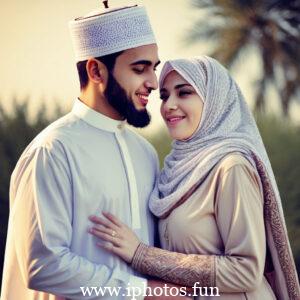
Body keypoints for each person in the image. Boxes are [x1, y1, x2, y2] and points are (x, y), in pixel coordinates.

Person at [1, 3, 189, 300]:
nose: (153, 83)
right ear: (95, 70)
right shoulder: (53, 150)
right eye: (139, 69)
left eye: (152, 68)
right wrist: (143, 292)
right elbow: (43, 265)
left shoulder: (146, 153)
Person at [88, 56, 300, 300]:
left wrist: (142, 255)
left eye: (184, 93)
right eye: (165, 96)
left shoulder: (231, 167)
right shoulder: (173, 171)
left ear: (214, 101)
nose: (169, 106)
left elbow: (247, 271)